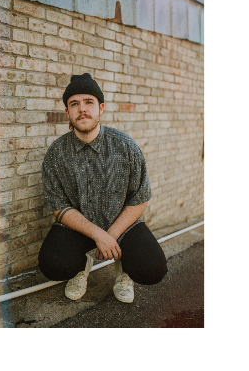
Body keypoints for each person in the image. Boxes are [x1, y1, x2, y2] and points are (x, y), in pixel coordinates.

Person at [38, 73, 168, 303]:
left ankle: (124, 269)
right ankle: (82, 265)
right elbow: (58, 205)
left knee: (152, 268)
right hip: (79, 228)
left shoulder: (126, 146)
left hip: (122, 226)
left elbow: (140, 198)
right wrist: (98, 235)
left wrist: (111, 237)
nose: (82, 109)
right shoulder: (56, 153)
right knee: (53, 264)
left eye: (89, 102)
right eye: (74, 104)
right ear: (67, 112)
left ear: (101, 107)